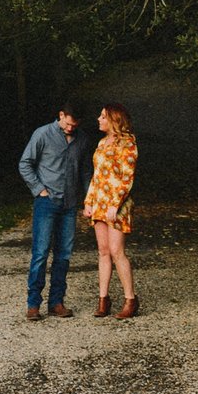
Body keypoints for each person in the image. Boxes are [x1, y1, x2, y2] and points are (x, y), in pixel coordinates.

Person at [16, 103, 85, 321]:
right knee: (40, 253)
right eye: (67, 123)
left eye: (74, 125)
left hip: (70, 203)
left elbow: (84, 170)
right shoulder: (43, 134)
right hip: (47, 202)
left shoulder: (81, 139)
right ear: (61, 115)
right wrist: (39, 190)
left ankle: (56, 302)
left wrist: (89, 197)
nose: (70, 128)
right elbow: (25, 163)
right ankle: (33, 304)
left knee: (64, 254)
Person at [82, 101, 140, 318]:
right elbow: (96, 176)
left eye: (103, 116)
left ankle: (130, 300)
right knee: (103, 251)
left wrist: (115, 204)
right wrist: (88, 201)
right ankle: (103, 299)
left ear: (115, 120)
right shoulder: (102, 143)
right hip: (99, 201)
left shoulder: (128, 144)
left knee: (117, 251)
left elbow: (127, 178)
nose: (99, 119)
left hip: (117, 204)